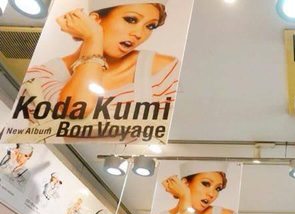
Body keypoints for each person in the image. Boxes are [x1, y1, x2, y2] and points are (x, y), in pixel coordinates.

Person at [18, 0, 179, 138]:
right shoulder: (40, 76)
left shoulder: (162, 69)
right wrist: (93, 37)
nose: (139, 34)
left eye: (150, 26)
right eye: (131, 19)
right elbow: (77, 108)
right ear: (95, 20)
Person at [147, 162, 236, 214]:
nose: (212, 194)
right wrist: (185, 197)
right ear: (185, 183)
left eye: (218, 189)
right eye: (206, 184)